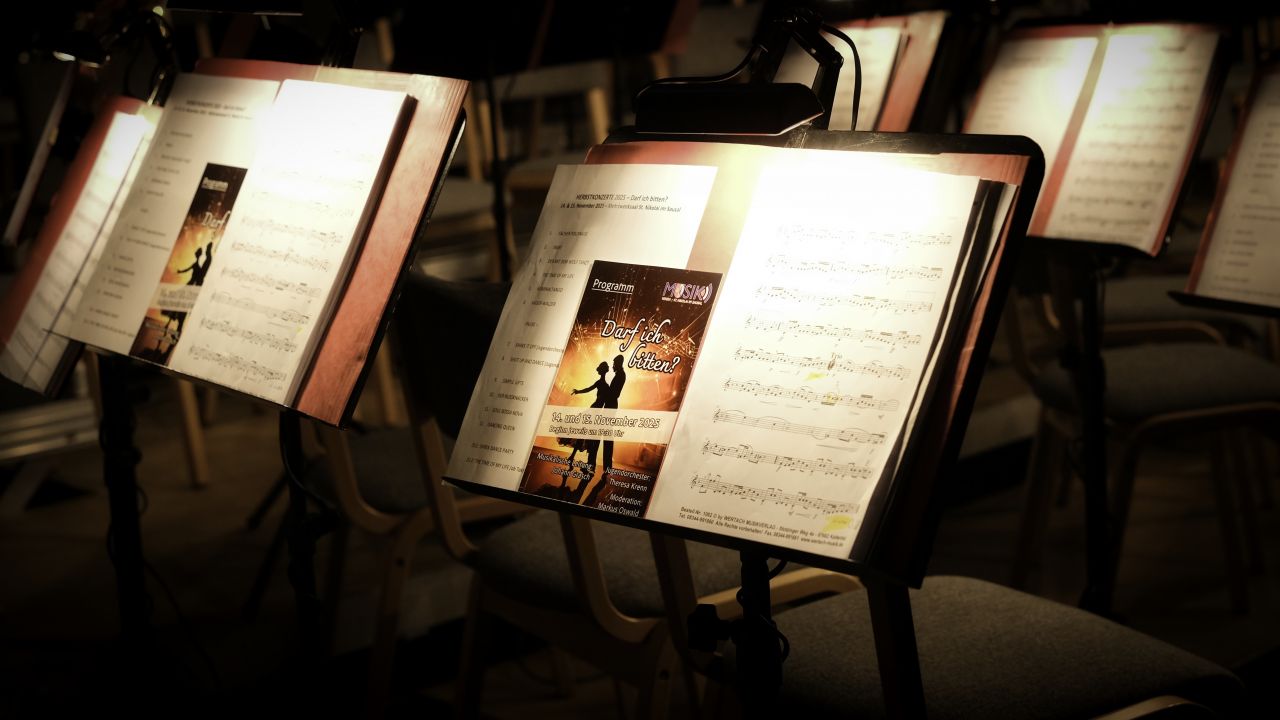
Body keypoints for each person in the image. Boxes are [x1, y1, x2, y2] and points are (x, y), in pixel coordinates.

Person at [580, 354, 626, 507]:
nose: (612, 365)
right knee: (602, 437)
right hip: (609, 407)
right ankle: (599, 465)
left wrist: (605, 394)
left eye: (614, 363)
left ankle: (601, 466)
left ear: (618, 363)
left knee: (604, 437)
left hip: (610, 408)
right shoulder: (619, 374)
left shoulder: (621, 375)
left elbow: (616, 394)